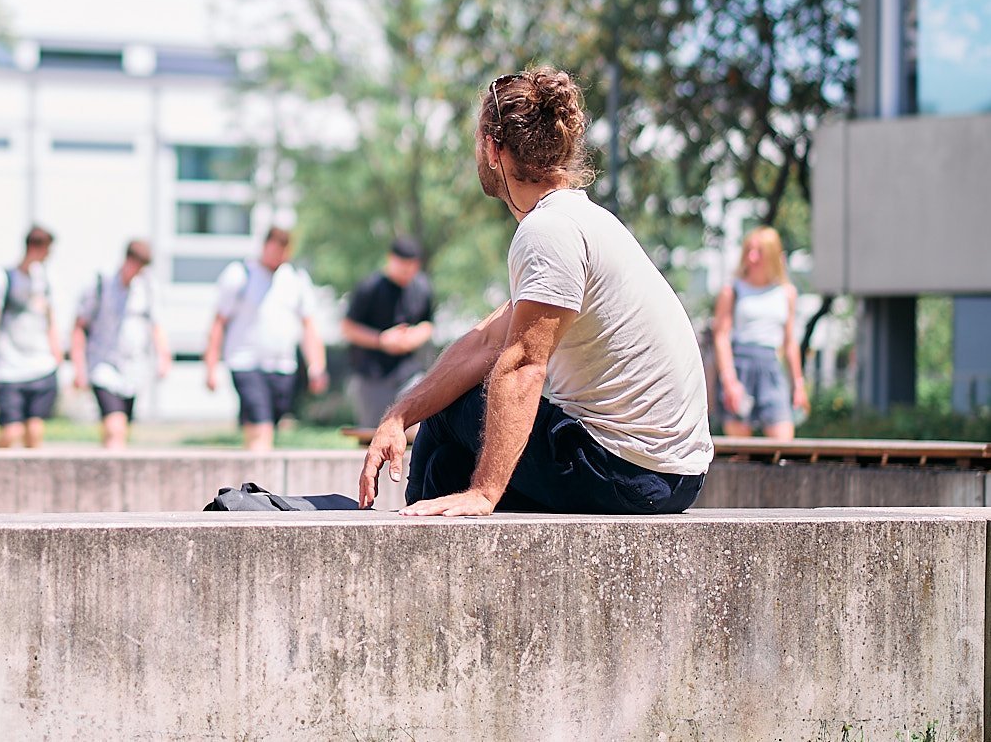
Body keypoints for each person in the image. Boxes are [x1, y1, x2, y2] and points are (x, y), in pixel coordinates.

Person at [358, 67, 712, 515]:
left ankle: (409, 554)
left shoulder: (548, 231)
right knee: (450, 458)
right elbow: (487, 341)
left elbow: (523, 364)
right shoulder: (580, 220)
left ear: (492, 148)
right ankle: (432, 547)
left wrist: (484, 493)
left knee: (452, 411)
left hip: (631, 471)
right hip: (663, 472)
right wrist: (398, 415)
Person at [203, 226, 329, 452]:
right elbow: (219, 322)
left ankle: (248, 479)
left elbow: (309, 326)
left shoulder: (295, 279)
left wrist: (316, 366)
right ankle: (256, 479)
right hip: (246, 362)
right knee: (261, 427)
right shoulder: (241, 274)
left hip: (282, 366)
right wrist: (211, 366)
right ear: (264, 247)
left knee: (265, 428)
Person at [70, 239, 173, 450]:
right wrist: (79, 367)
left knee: (121, 429)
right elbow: (80, 326)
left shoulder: (147, 288)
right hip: (103, 365)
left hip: (133, 369)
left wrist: (164, 356)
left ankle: (107, 464)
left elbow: (156, 325)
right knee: (115, 426)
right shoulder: (101, 284)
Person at [711, 226, 807, 440]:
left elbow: (790, 342)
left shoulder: (786, 293)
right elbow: (721, 336)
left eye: (759, 252)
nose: (752, 257)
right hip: (740, 366)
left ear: (773, 255)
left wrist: (798, 385)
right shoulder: (732, 290)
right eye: (749, 251)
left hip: (771, 367)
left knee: (784, 444)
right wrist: (729, 381)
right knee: (740, 451)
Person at [0, 226, 62, 448]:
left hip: (41, 364)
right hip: (9, 366)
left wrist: (57, 355)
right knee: (12, 432)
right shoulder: (3, 279)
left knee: (34, 431)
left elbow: (51, 322)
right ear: (37, 248)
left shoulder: (46, 281)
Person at [341, 236, 436, 429]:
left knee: (416, 431)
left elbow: (428, 324)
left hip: (407, 372)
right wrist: (381, 340)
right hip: (372, 375)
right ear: (390, 259)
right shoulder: (370, 287)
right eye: (402, 266)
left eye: (411, 268)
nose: (406, 273)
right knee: (373, 434)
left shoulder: (422, 288)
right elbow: (347, 328)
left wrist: (413, 337)